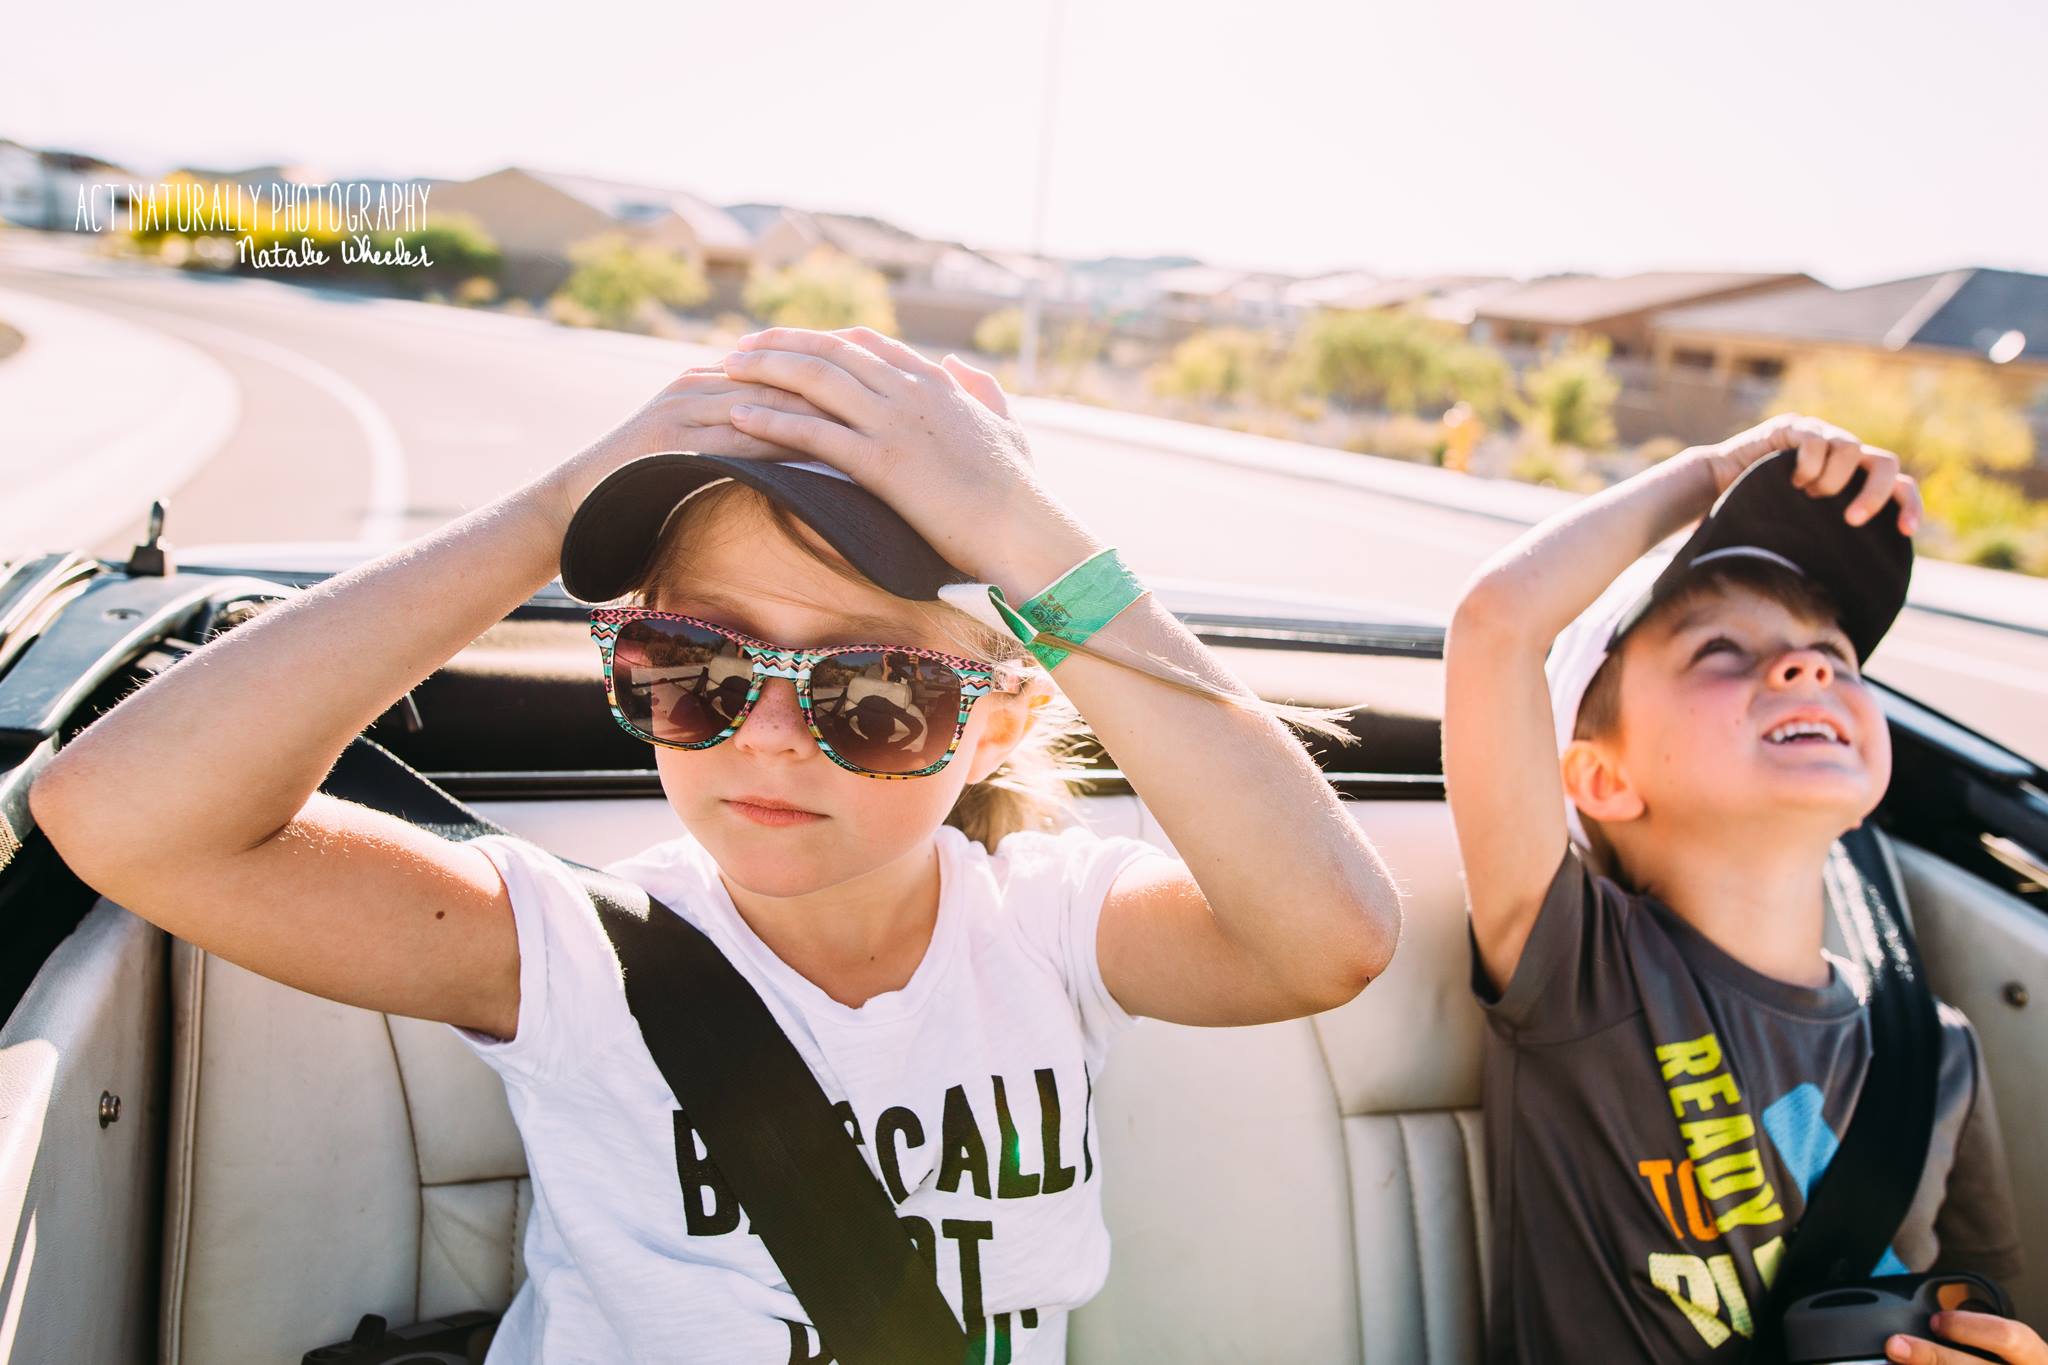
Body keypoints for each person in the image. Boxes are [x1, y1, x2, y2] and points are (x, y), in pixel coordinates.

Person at [28, 325, 1402, 1364]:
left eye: (877, 696)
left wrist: (1024, 535)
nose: (767, 742)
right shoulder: (573, 954)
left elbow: (1332, 937)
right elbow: (117, 816)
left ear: (996, 724)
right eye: (697, 666)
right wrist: (549, 517)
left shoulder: (1044, 927)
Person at [1442, 413, 2033, 1365]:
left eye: (1834, 656)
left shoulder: (1934, 1051)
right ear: (1600, 780)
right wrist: (1713, 471)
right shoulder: (1580, 966)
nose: (1804, 665)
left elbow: (1990, 1304)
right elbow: (1495, 623)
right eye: (1722, 649)